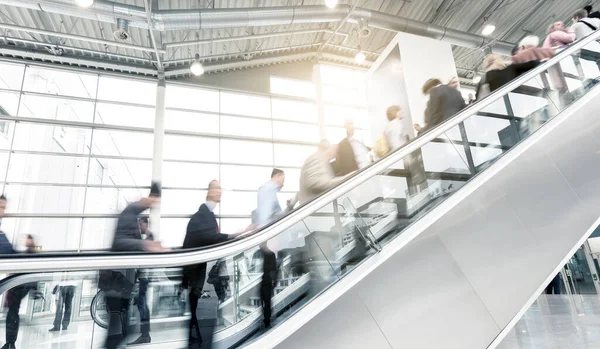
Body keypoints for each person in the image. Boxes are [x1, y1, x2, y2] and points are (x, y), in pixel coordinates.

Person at [183, 180, 253, 347]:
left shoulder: (207, 215)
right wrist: (238, 234)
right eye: (217, 188)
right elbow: (210, 238)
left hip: (196, 276)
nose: (220, 191)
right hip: (195, 277)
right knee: (198, 319)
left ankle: (197, 342)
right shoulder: (202, 215)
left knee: (196, 320)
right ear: (210, 191)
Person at [103, 182, 164, 349]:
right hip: (116, 282)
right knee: (117, 332)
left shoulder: (133, 216)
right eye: (154, 202)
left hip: (123, 283)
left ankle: (143, 335)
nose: (153, 206)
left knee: (121, 330)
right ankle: (143, 335)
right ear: (150, 197)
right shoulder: (129, 213)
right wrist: (144, 246)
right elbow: (119, 242)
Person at [126, 217, 155, 345]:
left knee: (142, 304)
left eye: (141, 225)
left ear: (146, 224)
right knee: (141, 304)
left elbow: (145, 257)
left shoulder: (149, 238)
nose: (139, 227)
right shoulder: (147, 238)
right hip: (143, 275)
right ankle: (145, 333)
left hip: (145, 276)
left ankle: (145, 334)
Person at [298, 140, 349, 204]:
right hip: (314, 208)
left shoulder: (322, 161)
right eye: (335, 152)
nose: (335, 156)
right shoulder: (315, 159)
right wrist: (347, 178)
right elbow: (318, 184)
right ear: (329, 149)